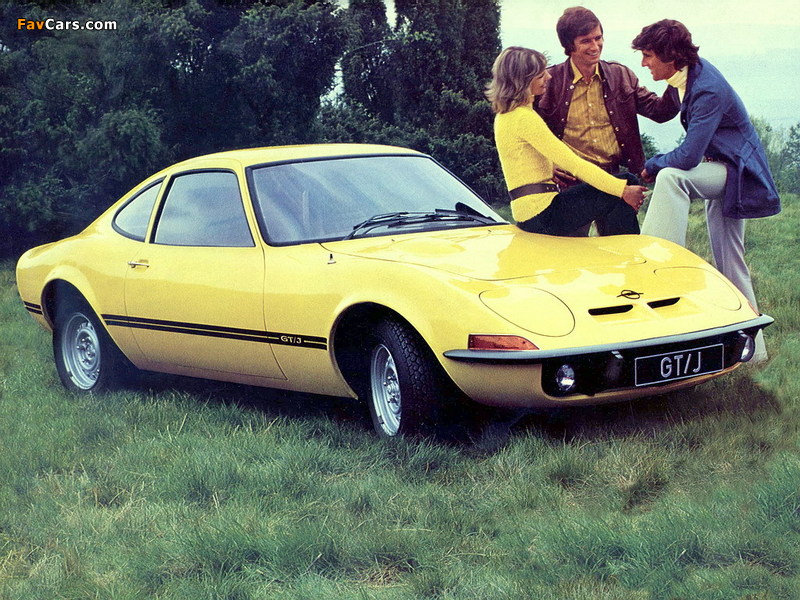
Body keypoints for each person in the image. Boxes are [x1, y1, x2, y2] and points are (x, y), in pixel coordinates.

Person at [632, 19, 781, 362]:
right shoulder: (683, 78)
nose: (643, 63)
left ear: (670, 56)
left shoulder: (707, 89)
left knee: (672, 177)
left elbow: (688, 156)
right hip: (724, 169)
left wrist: (652, 164)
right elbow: (663, 111)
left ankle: (657, 264)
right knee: (731, 262)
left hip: (739, 175)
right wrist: (623, 90)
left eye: (648, 55)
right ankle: (755, 354)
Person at [486, 46, 645, 236]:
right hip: (543, 214)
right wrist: (623, 191)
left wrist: (548, 166)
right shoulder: (524, 118)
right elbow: (575, 164)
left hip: (531, 212)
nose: (548, 77)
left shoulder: (505, 116)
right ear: (523, 81)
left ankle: (617, 245)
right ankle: (626, 249)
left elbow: (519, 158)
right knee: (626, 182)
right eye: (540, 75)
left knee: (618, 188)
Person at [535, 7, 679, 188]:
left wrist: (677, 72)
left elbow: (660, 112)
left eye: (598, 38)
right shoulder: (548, 81)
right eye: (586, 41)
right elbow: (522, 130)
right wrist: (546, 163)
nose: (595, 46)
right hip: (569, 183)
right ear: (569, 45)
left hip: (615, 179)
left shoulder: (620, 75)